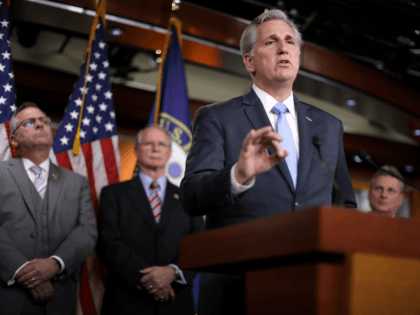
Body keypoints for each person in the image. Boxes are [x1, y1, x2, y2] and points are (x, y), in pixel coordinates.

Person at [180, 9, 357, 315]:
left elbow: (345, 204)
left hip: (313, 282)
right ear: (249, 60)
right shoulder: (217, 118)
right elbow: (192, 196)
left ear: (298, 56)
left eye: (290, 41)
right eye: (271, 42)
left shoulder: (328, 125)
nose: (283, 48)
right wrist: (238, 174)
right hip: (240, 282)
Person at [0, 102, 98, 315]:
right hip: (7, 295)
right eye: (29, 122)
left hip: (59, 298)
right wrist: (23, 270)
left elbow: (87, 231)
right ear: (14, 139)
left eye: (44, 121)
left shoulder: (77, 182)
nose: (39, 125)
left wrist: (55, 263)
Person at [97, 125, 204, 315]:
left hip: (176, 302)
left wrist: (172, 273)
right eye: (149, 143)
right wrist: (153, 281)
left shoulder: (189, 198)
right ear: (137, 150)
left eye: (161, 144)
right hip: (126, 301)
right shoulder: (112, 194)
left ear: (170, 152)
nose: (156, 148)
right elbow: (109, 244)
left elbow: (198, 246)